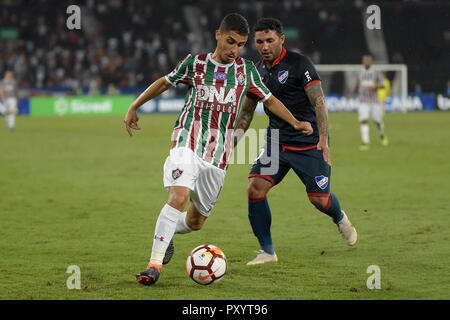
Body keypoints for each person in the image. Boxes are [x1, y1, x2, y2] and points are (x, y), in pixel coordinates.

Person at [123, 13, 313, 285]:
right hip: (187, 140)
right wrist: (134, 105)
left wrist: (295, 122)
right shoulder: (195, 64)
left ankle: (167, 235)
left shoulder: (247, 70)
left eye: (240, 45)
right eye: (230, 42)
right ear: (218, 35)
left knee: (195, 222)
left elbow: (269, 101)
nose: (234, 50)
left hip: (218, 155)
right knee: (178, 196)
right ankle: (154, 266)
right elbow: (165, 82)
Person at [233, 18, 357, 266]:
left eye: (270, 40)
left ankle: (340, 217)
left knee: (319, 200)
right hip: (276, 141)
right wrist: (229, 144)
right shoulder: (256, 72)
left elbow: (319, 102)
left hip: (308, 141)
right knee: (255, 189)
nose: (265, 46)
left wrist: (323, 138)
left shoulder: (300, 64)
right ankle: (267, 252)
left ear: (281, 39)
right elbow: (246, 112)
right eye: (259, 42)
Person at [350, 54, 387, 151]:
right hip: (363, 101)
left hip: (374, 101)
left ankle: (382, 135)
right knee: (364, 120)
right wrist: (352, 93)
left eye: (368, 61)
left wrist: (374, 87)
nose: (366, 62)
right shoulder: (360, 72)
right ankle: (365, 142)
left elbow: (383, 85)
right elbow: (357, 85)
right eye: (365, 61)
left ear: (371, 62)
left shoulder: (376, 72)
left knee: (377, 121)